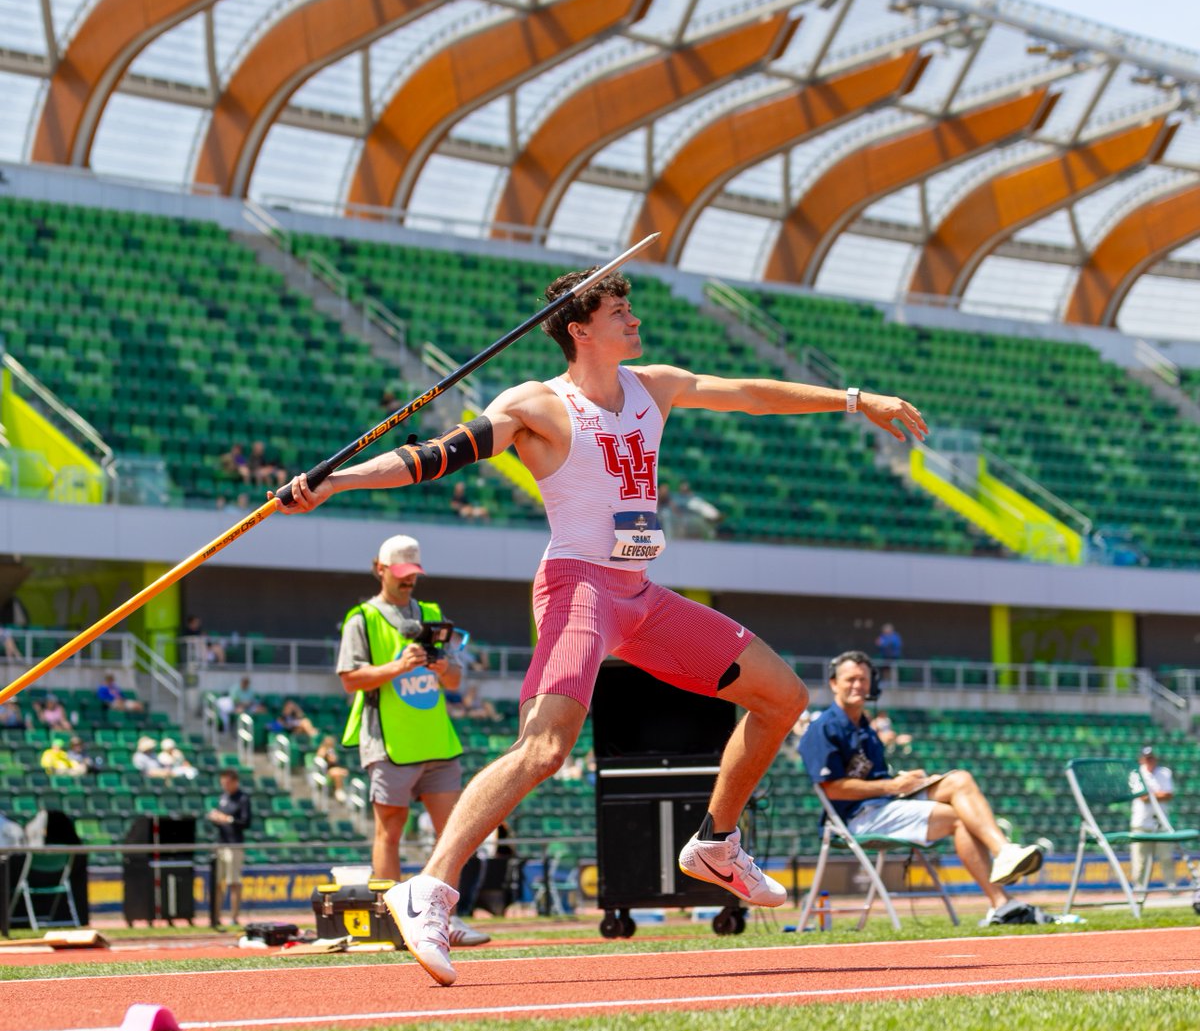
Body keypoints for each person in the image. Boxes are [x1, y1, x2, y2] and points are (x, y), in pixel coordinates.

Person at [276, 261, 927, 984]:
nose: (634, 319)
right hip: (577, 589)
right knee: (545, 749)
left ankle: (715, 843)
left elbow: (749, 395)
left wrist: (854, 398)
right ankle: (427, 889)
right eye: (620, 309)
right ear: (581, 329)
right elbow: (435, 456)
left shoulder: (655, 386)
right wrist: (337, 480)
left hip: (639, 596)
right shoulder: (538, 405)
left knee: (781, 697)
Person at [799, 651, 1045, 926]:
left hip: (885, 802)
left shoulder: (866, 726)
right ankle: (1001, 903)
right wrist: (893, 785)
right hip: (853, 818)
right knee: (957, 819)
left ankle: (1004, 852)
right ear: (834, 683)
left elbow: (877, 779)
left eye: (863, 679)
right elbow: (833, 789)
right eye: (850, 679)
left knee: (959, 779)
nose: (857, 685)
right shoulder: (823, 727)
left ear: (872, 684)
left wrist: (907, 782)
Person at [332, 532, 490, 948]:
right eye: (400, 574)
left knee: (453, 833)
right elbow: (350, 680)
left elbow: (455, 679)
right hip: (388, 742)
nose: (408, 582)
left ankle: (444, 920)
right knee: (390, 831)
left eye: (413, 574)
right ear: (380, 569)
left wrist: (440, 667)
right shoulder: (361, 619)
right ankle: (392, 922)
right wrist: (398, 665)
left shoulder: (433, 612)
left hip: (436, 740)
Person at [208, 769, 252, 929]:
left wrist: (228, 819)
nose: (225, 786)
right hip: (221, 843)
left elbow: (246, 822)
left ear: (234, 781)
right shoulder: (223, 797)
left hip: (235, 844)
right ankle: (216, 916)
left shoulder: (243, 798)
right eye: (223, 783)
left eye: (227, 783)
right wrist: (215, 818)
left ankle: (234, 916)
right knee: (218, 882)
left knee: (233, 882)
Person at [1130, 745, 1176, 890]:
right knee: (1140, 861)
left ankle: (1172, 889)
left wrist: (1151, 795)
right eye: (1146, 758)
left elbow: (1168, 795)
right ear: (1141, 759)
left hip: (1162, 822)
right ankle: (1139, 890)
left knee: (1167, 857)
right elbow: (1142, 797)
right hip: (1142, 823)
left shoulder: (1164, 772)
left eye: (1151, 758)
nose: (1149, 761)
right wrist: (1159, 794)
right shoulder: (1135, 774)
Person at [312, 735, 350, 803]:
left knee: (339, 772)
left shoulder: (332, 751)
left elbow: (334, 761)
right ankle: (339, 791)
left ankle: (339, 791)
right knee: (335, 772)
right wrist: (326, 754)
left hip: (332, 770)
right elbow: (320, 761)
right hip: (324, 773)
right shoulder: (322, 750)